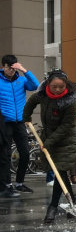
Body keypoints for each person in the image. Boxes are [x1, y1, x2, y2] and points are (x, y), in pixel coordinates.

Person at [22, 70, 76, 223]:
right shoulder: (43, 94)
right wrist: (26, 116)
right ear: (48, 84)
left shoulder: (71, 100)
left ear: (66, 85)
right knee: (60, 172)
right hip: (49, 136)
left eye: (61, 87)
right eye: (54, 87)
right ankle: (73, 202)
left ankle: (53, 207)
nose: (58, 90)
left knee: (60, 170)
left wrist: (48, 142)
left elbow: (66, 125)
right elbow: (31, 101)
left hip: (67, 139)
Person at [0, 55, 40, 197]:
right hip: (4, 123)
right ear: (3, 67)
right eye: (8, 68)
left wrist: (23, 70)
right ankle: (6, 185)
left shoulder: (21, 80)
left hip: (20, 122)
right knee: (5, 155)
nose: (11, 70)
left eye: (13, 68)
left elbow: (36, 86)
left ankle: (19, 183)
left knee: (25, 153)